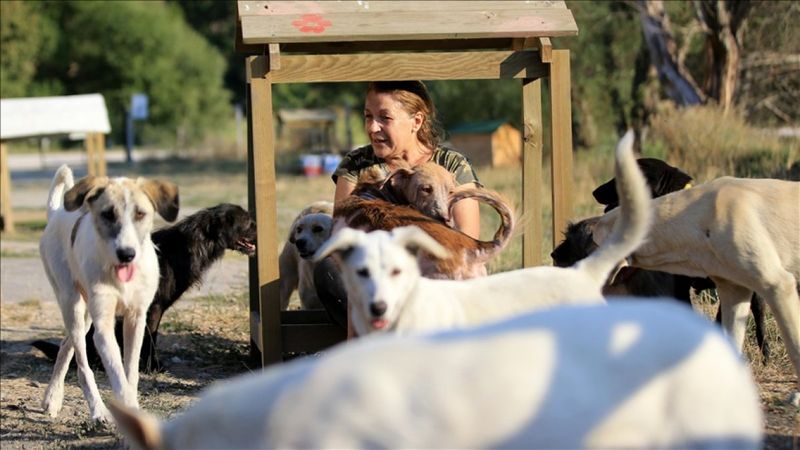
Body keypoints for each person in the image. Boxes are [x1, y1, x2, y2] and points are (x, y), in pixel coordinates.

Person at [315, 80, 482, 330]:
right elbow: (344, 235)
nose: (373, 127)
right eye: (368, 116)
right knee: (327, 268)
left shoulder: (451, 164)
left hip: (437, 281)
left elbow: (467, 241)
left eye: (385, 118)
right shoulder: (357, 164)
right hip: (374, 284)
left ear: (416, 121)